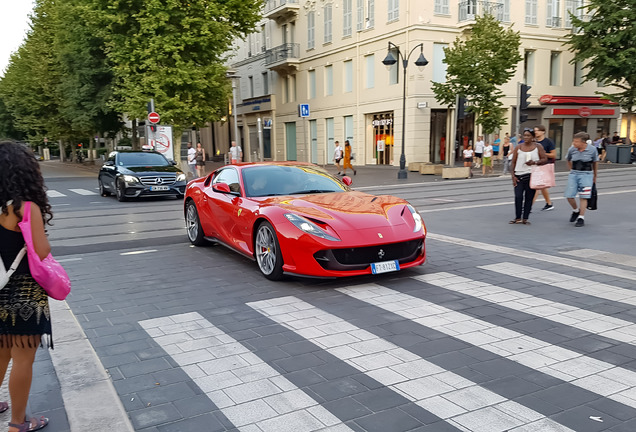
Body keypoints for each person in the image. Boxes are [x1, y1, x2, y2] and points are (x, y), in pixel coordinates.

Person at [0, 141, 52, 432]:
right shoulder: (25, 209)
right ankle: (18, 424)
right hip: (23, 294)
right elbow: (42, 251)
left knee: (1, 353)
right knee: (22, 359)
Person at [510, 128, 548, 225]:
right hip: (519, 175)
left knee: (529, 197)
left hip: (532, 175)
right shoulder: (518, 147)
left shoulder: (538, 147)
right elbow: (513, 162)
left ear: (533, 137)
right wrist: (513, 176)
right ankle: (517, 217)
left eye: (528, 136)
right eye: (525, 135)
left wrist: (534, 162)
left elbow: (544, 159)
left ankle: (525, 218)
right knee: (518, 197)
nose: (526, 137)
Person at [565, 132, 599, 227]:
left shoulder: (592, 150)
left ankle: (581, 217)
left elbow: (595, 162)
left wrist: (595, 175)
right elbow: (568, 159)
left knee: (584, 196)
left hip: (586, 174)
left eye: (576, 141)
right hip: (574, 173)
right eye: (574, 141)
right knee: (569, 195)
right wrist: (571, 170)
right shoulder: (572, 149)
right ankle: (576, 210)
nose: (574, 143)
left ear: (583, 142)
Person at [533, 125, 556, 211]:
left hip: (545, 165)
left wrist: (543, 153)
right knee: (542, 187)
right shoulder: (533, 141)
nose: (536, 132)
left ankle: (528, 206)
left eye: (537, 130)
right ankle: (549, 203)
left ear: (543, 132)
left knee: (536, 186)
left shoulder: (548, 141)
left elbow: (553, 155)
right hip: (535, 165)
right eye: (535, 131)